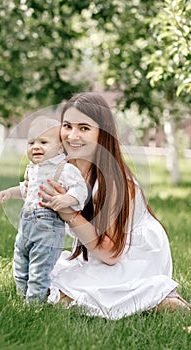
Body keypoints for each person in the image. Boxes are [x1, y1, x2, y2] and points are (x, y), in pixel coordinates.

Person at [37, 92, 190, 319]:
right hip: (98, 249)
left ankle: (159, 299)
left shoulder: (114, 182)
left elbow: (111, 253)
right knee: (42, 280)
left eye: (84, 128)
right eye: (67, 125)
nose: (72, 135)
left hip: (133, 255)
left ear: (102, 134)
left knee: (71, 297)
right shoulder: (70, 168)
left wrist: (66, 210)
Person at [0, 116, 88, 303]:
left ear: (60, 148)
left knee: (40, 267)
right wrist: (9, 193)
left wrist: (65, 199)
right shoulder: (32, 169)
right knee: (20, 263)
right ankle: (22, 296)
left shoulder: (64, 169)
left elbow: (80, 190)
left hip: (48, 228)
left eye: (43, 142)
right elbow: (27, 189)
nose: (36, 147)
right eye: (31, 143)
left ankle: (34, 304)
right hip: (26, 226)